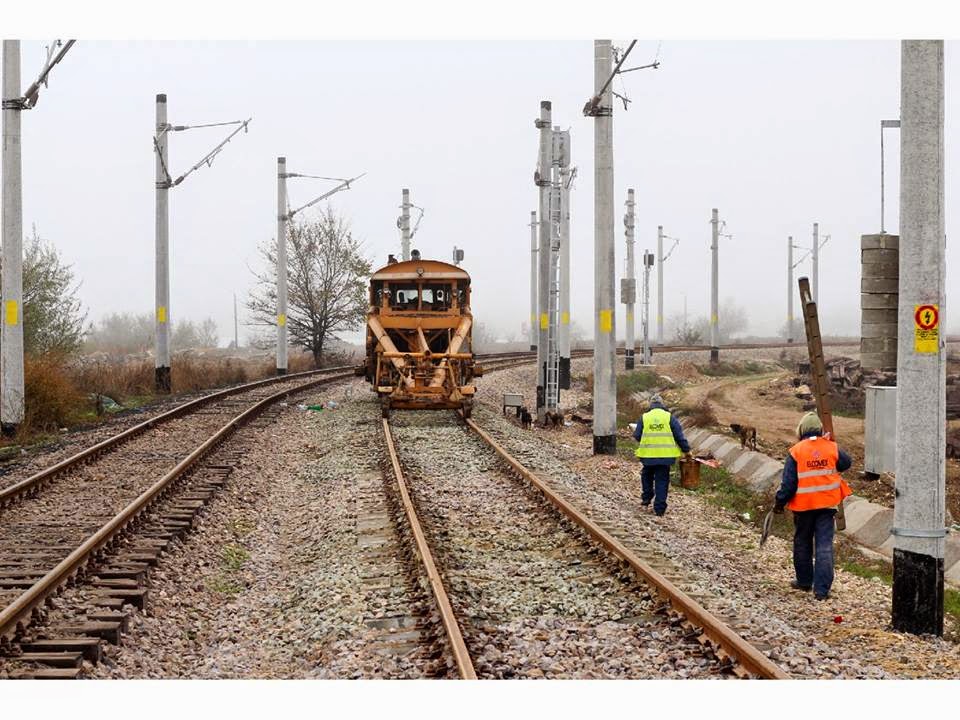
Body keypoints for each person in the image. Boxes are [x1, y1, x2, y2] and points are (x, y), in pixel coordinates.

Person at [773, 412, 853, 601]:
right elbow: (846, 463)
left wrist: (779, 502)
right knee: (824, 545)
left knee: (802, 542)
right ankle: (821, 591)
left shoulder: (796, 451)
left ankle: (804, 581)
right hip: (827, 505)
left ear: (801, 430)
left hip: (803, 507)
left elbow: (789, 484)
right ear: (820, 429)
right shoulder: (831, 447)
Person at [633, 394, 691, 517]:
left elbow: (637, 435)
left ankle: (646, 498)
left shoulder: (644, 417)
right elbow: (679, 436)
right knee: (662, 480)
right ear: (662, 404)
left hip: (648, 455)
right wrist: (686, 450)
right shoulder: (669, 417)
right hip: (665, 456)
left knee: (646, 475)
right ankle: (659, 509)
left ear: (651, 404)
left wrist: (648, 439)